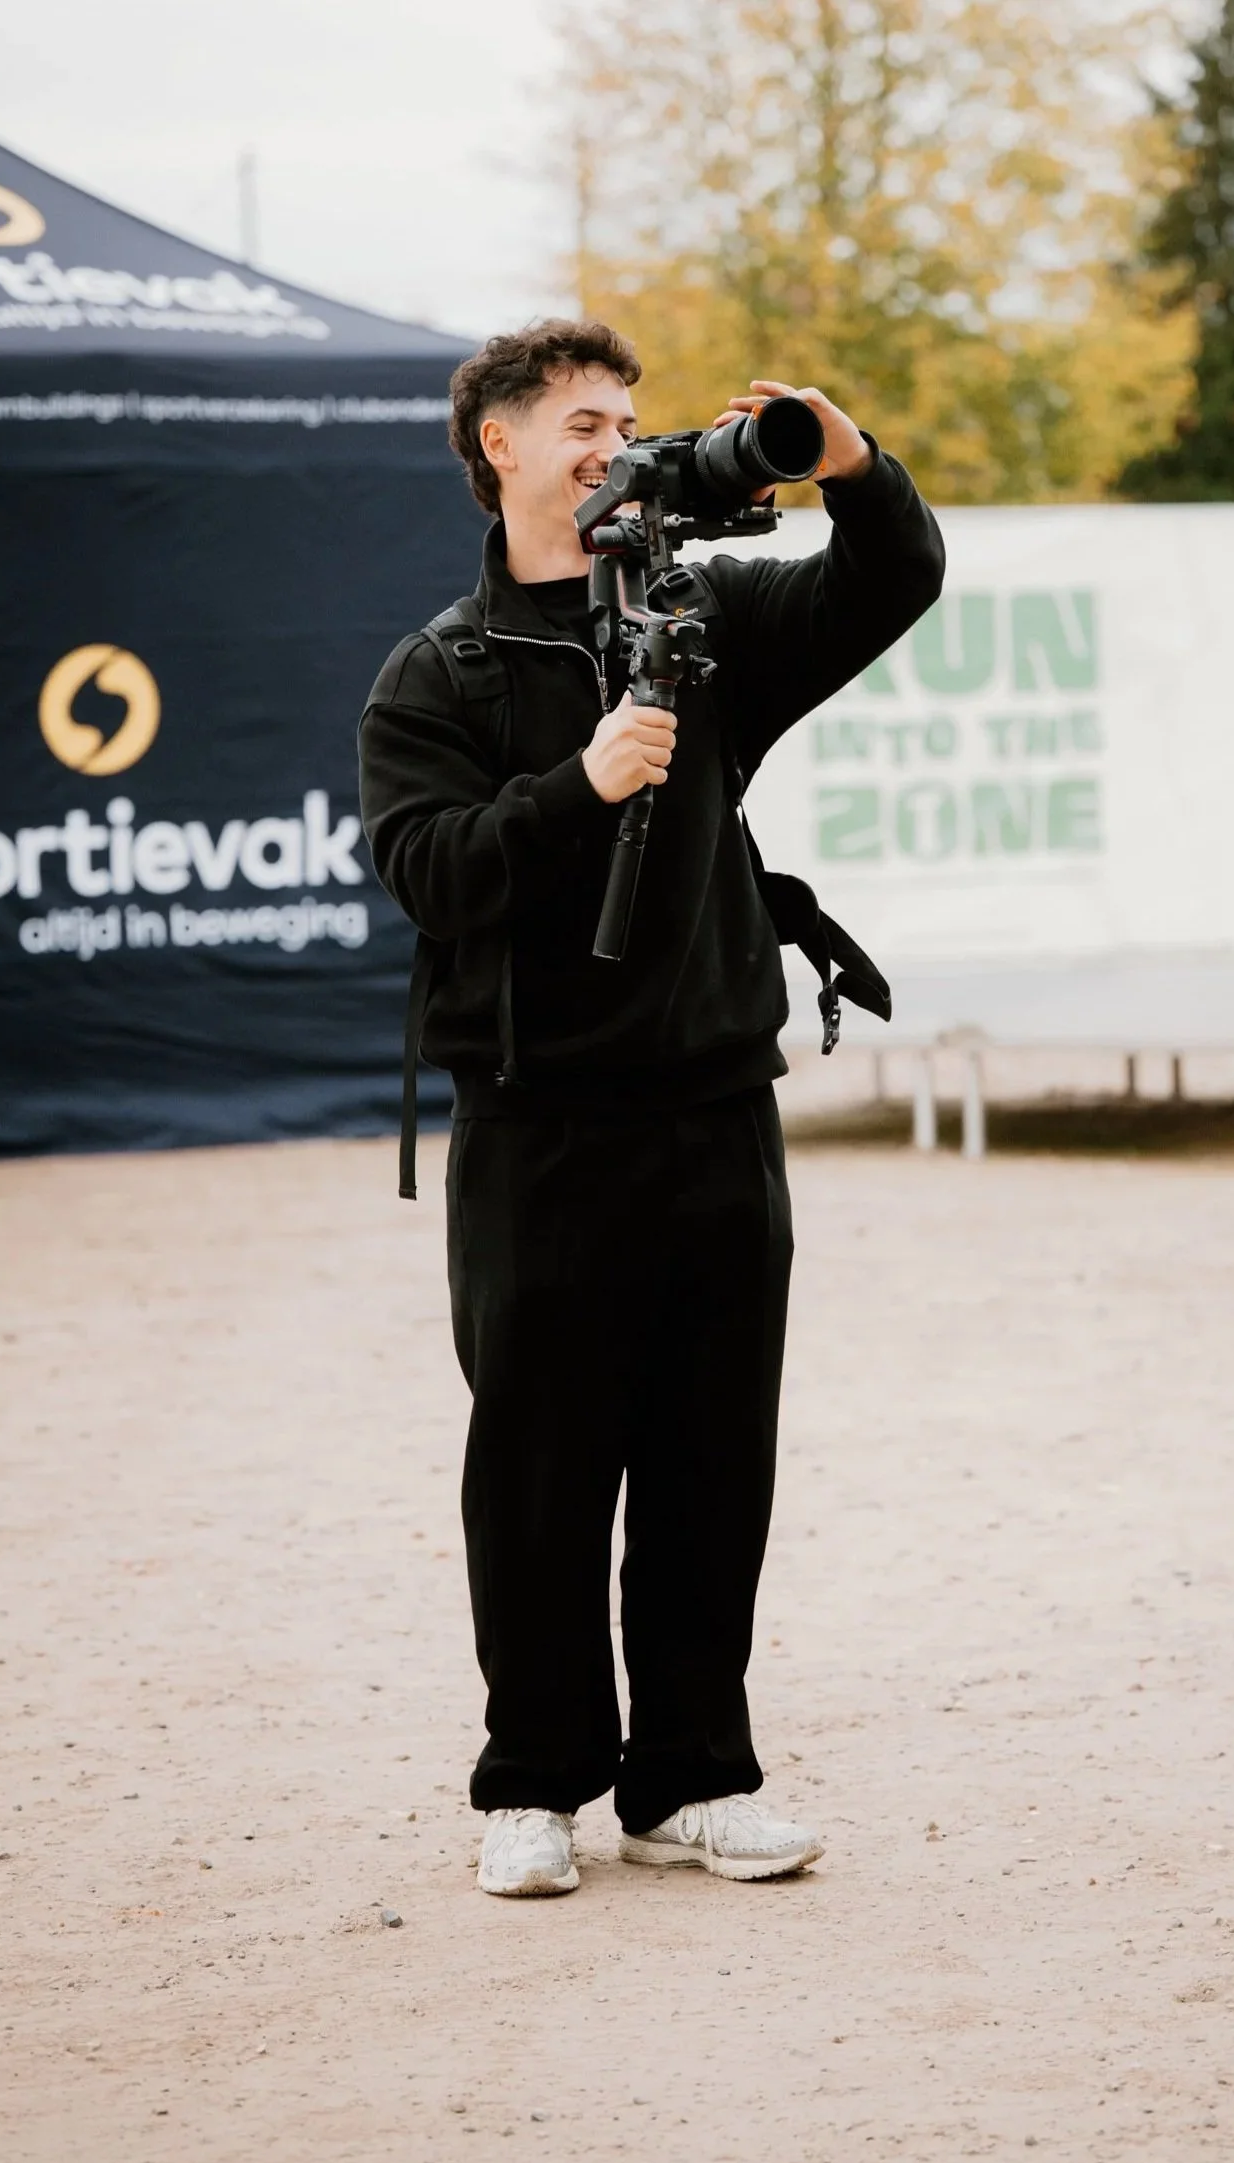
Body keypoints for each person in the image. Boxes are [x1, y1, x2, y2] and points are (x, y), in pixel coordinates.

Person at [359, 321, 944, 1897]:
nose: (616, 444)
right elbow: (427, 873)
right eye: (583, 422)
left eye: (628, 420)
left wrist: (849, 464)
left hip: (714, 1116)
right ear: (500, 444)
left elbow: (889, 582)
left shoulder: (709, 617)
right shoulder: (439, 671)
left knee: (709, 1464)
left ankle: (694, 1777)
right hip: (539, 1130)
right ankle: (533, 1786)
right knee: (541, 1470)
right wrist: (588, 785)